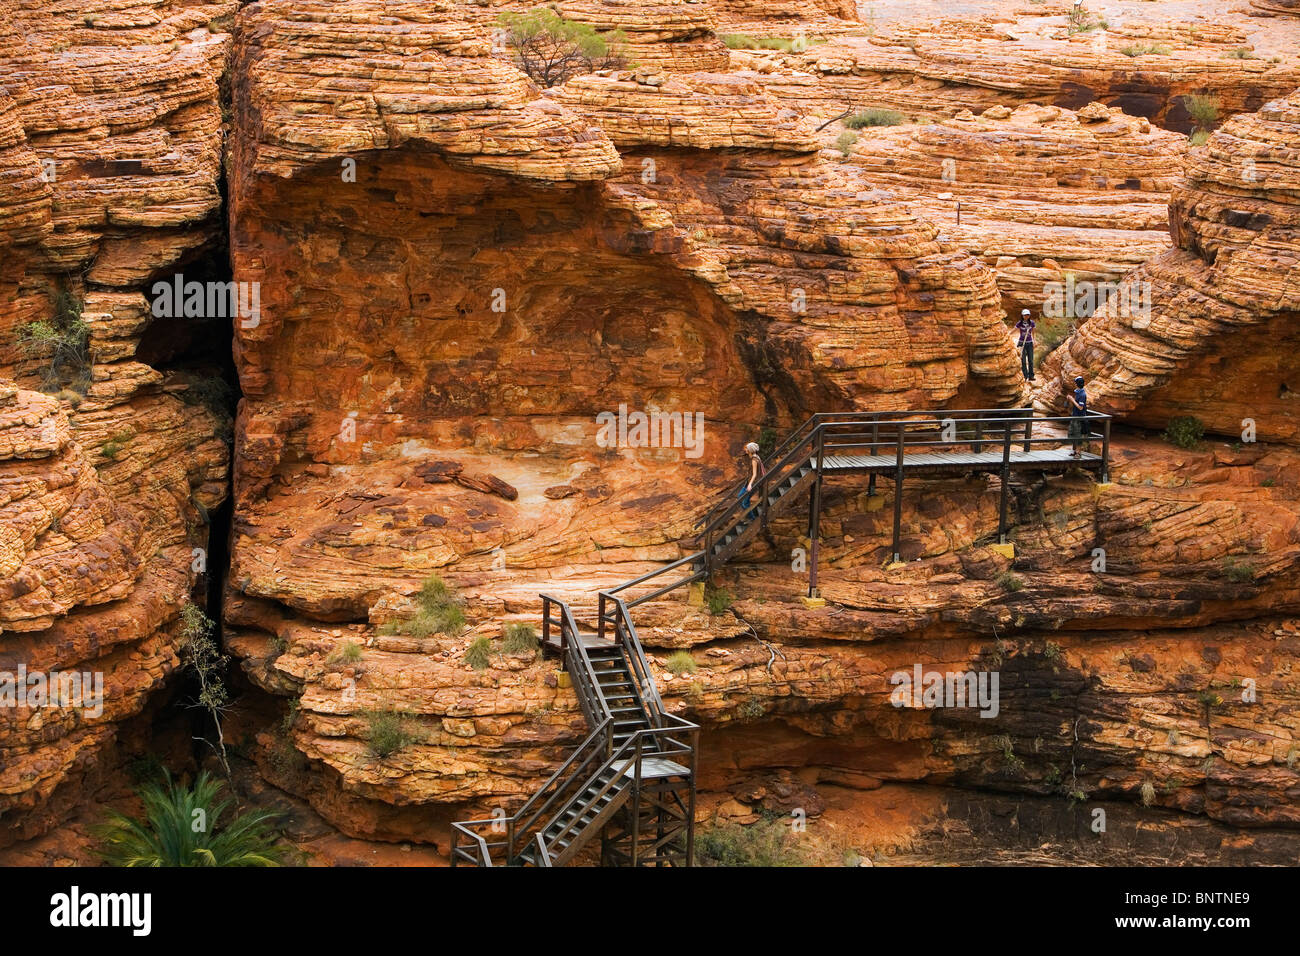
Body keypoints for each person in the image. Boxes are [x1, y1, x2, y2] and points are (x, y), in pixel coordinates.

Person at [738, 441, 766, 518]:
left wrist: (750, 484)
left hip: (753, 483)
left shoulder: (754, 460)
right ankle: (749, 516)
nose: (745, 449)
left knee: (744, 502)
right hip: (749, 482)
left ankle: (752, 518)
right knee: (740, 496)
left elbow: (755, 474)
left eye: (747, 448)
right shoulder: (756, 457)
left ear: (750, 450)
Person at [1066, 375, 1088, 458]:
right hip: (1074, 416)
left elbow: (1080, 407)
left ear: (1076, 384)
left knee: (1078, 434)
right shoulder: (1078, 392)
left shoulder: (1082, 394)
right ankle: (1075, 451)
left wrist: (1072, 400)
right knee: (1072, 433)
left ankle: (1078, 453)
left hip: (1079, 417)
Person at [1015, 309, 1036, 381]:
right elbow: (1014, 329)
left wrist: (1034, 340)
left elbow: (1033, 331)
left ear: (1029, 315)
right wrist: (1007, 335)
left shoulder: (1032, 323)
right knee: (1023, 360)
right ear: (1022, 315)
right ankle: (1025, 375)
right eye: (1025, 315)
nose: (1026, 316)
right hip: (1021, 343)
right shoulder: (1019, 323)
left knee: (1031, 360)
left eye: (1028, 315)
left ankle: (1031, 376)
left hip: (1029, 343)